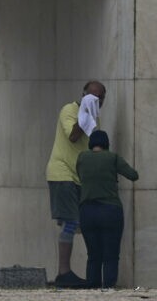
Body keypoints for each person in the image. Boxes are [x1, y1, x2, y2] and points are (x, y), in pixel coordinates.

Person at [45, 80, 106, 288]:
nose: (94, 101)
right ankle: (64, 272)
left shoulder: (94, 118)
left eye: (98, 98)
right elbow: (72, 136)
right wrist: (85, 113)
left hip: (79, 177)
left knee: (82, 223)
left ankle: (79, 272)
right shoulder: (69, 110)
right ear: (83, 95)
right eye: (90, 96)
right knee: (70, 222)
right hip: (62, 174)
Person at [76, 130, 138, 289]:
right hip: (110, 211)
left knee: (93, 255)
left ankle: (92, 288)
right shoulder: (112, 157)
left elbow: (80, 176)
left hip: (87, 212)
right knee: (110, 255)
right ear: (106, 144)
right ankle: (108, 288)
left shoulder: (82, 158)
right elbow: (133, 175)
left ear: (91, 144)